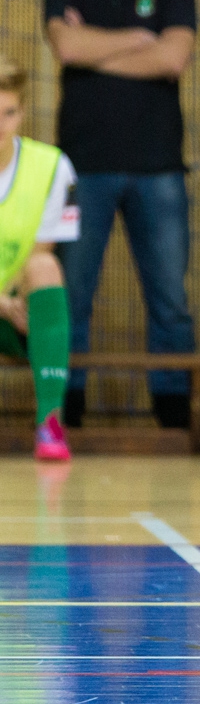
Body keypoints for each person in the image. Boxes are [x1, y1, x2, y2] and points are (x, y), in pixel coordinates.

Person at [44, 0, 197, 430]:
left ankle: (175, 409)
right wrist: (137, 39)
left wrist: (94, 49)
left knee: (170, 299)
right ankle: (68, 407)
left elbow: (173, 59)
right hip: (82, 168)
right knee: (72, 293)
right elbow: (64, 46)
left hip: (159, 169)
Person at [0, 57, 77, 460]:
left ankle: (50, 423)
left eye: (8, 113)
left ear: (22, 113)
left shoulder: (52, 166)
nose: (0, 125)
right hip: (4, 304)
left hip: (16, 308)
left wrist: (13, 302)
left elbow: (43, 249)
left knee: (46, 268)